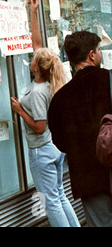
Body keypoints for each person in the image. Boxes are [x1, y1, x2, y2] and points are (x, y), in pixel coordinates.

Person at [10, 0, 80, 227]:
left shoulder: (39, 91)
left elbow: (39, 126)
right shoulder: (52, 82)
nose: (31, 59)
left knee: (51, 201)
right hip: (54, 148)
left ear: (36, 68)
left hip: (42, 150)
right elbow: (37, 44)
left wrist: (20, 110)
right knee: (59, 195)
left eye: (33, 59)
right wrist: (33, 13)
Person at [48, 29, 112, 227]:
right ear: (92, 54)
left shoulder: (59, 99)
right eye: (99, 50)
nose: (100, 54)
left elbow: (59, 142)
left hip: (87, 179)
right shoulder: (109, 80)